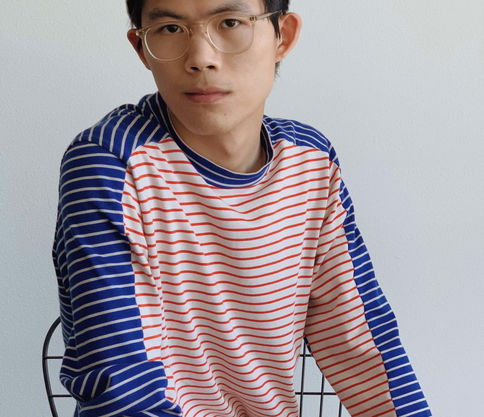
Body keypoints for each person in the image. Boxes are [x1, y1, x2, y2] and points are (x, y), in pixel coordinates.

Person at [52, 1, 432, 416]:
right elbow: (123, 389)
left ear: (282, 36)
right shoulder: (113, 163)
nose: (200, 58)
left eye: (231, 22)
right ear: (141, 47)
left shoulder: (310, 162)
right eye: (170, 29)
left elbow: (358, 338)